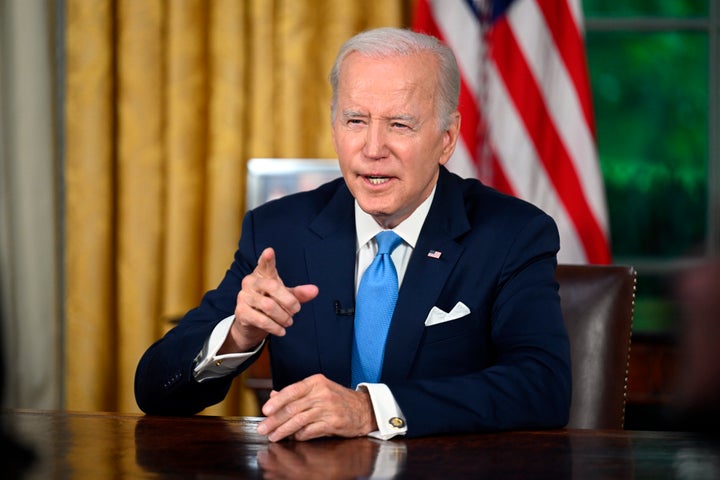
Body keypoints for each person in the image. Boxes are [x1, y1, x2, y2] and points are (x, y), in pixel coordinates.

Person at [134, 27, 571, 441]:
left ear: (447, 138)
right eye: (355, 121)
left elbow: (542, 386)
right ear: (334, 128)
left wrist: (370, 410)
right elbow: (153, 390)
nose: (373, 148)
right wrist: (238, 336)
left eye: (400, 124)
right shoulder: (279, 231)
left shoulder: (513, 234)